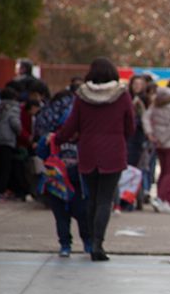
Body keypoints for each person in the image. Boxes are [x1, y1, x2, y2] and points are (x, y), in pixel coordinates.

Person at [54, 57, 135, 262]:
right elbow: (130, 126)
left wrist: (57, 139)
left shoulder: (82, 96)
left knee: (91, 198)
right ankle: (98, 243)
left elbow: (71, 125)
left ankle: (90, 242)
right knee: (105, 200)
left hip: (88, 151)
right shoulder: (122, 95)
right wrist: (119, 137)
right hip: (114, 152)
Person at [35, 94, 92, 258]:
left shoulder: (84, 141)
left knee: (83, 216)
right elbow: (40, 153)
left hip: (78, 186)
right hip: (57, 186)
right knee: (61, 218)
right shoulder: (54, 140)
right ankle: (65, 244)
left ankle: (87, 242)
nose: (72, 134)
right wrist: (44, 141)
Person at [143, 80, 170, 212]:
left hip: (158, 141)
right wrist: (163, 138)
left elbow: (145, 117)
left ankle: (160, 198)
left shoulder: (156, 104)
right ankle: (161, 198)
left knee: (163, 171)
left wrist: (150, 134)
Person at [0, 88, 22, 201]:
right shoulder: (13, 107)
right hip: (7, 139)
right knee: (6, 167)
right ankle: (2, 191)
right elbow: (15, 123)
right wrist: (19, 131)